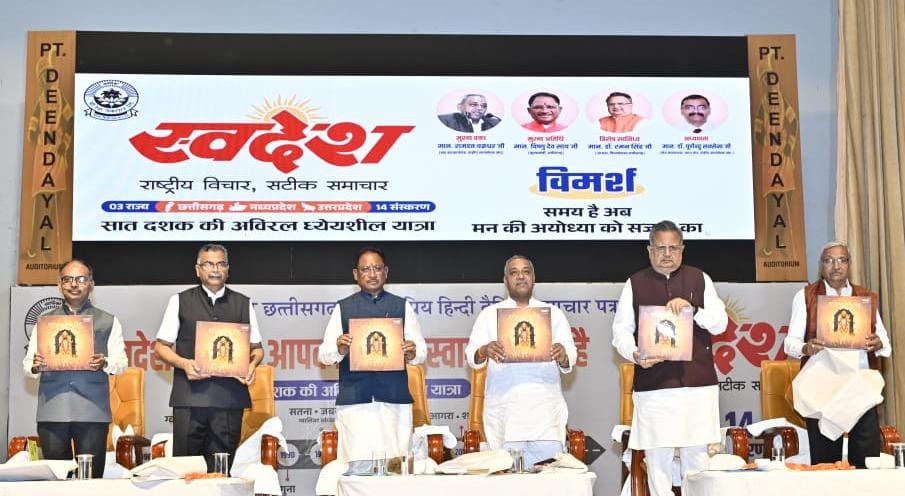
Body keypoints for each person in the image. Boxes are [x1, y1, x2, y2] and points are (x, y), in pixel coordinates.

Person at [611, 220, 728, 496]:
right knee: (657, 463)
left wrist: (694, 309)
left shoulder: (700, 279)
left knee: (697, 462)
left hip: (697, 386)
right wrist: (635, 354)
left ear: (682, 249)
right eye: (660, 248)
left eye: (673, 248)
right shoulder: (635, 283)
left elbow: (720, 323)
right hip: (654, 388)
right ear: (649, 250)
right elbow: (620, 332)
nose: (667, 254)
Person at [153, 244, 264, 472]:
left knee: (221, 472)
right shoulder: (180, 301)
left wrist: (252, 365)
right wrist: (184, 364)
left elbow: (258, 349)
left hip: (229, 399)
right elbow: (160, 347)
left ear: (228, 269)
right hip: (190, 399)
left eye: (221, 264)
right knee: (186, 471)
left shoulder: (243, 303)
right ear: (198, 269)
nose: (215, 269)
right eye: (209, 264)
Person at [783, 241, 891, 468]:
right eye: (829, 260)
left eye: (841, 260)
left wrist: (878, 342)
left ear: (849, 264)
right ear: (821, 265)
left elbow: (885, 344)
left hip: (860, 385)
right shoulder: (806, 296)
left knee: (867, 461)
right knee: (826, 463)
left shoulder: (865, 297)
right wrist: (806, 348)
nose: (836, 266)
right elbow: (789, 343)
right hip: (822, 386)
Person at [319, 247, 427, 472]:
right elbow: (324, 355)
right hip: (355, 401)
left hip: (394, 401)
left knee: (396, 467)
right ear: (355, 274)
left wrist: (411, 351)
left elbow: (421, 353)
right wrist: (339, 348)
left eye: (377, 268)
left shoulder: (402, 306)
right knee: (357, 468)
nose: (372, 274)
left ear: (386, 272)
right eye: (365, 269)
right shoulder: (343, 308)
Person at [465, 255, 577, 466]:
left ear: (534, 278)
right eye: (514, 273)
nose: (520, 277)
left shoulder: (553, 314)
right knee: (508, 478)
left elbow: (570, 354)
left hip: (545, 413)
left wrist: (563, 355)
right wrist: (485, 350)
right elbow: (471, 355)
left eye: (526, 272)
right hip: (506, 412)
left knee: (549, 477)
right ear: (505, 280)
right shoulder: (489, 315)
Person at [23, 259, 128, 478]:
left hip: (92, 412)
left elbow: (121, 363)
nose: (73, 284)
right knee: (55, 479)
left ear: (91, 284)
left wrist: (105, 362)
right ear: (59, 284)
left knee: (89, 480)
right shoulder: (45, 322)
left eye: (80, 279)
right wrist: (35, 366)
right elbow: (27, 364)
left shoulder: (108, 321)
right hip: (52, 412)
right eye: (67, 279)